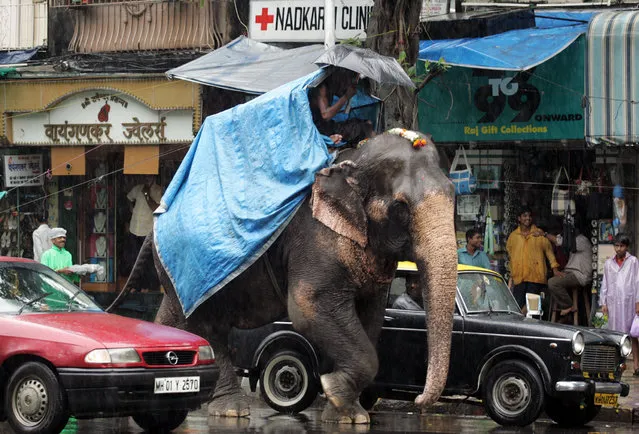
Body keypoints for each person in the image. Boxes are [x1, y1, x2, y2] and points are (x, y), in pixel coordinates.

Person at [506, 205, 561, 310]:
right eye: (524, 216)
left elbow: (549, 253)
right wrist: (511, 277)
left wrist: (555, 269)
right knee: (518, 307)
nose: (528, 218)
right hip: (519, 278)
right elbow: (511, 257)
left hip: (536, 277)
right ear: (519, 218)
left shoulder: (539, 233)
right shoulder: (513, 237)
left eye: (530, 216)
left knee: (533, 309)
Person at [599, 233, 639, 375]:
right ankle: (616, 364)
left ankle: (636, 365)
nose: (618, 248)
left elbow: (637, 282)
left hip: (629, 302)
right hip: (614, 302)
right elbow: (605, 283)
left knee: (633, 334)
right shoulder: (609, 263)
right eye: (616, 245)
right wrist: (603, 302)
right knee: (615, 334)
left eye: (621, 246)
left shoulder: (633, 261)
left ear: (626, 247)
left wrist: (638, 301)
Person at [309, 68, 375, 145]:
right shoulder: (322, 87)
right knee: (363, 128)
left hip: (328, 126)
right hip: (320, 131)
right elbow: (325, 115)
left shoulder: (331, 86)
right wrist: (346, 97)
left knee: (366, 123)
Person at [545, 220, 592, 318]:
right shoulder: (577, 240)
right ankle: (567, 313)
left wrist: (545, 234)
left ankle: (568, 305)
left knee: (553, 282)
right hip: (573, 273)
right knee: (552, 279)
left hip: (579, 275)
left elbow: (561, 241)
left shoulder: (581, 240)